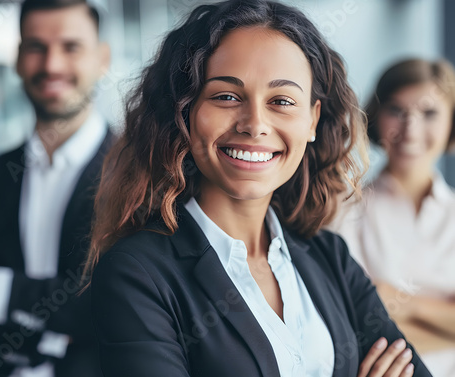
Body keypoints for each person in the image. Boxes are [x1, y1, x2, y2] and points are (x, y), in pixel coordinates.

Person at [87, 1, 431, 376]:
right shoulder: (138, 273)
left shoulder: (328, 256)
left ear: (312, 120)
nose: (254, 124)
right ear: (184, 111)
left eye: (282, 101)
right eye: (226, 97)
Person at [0, 0, 111, 376]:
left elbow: (115, 308)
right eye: (36, 47)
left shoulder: (141, 178)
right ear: (19, 59)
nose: (52, 65)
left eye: (70, 47)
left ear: (102, 59)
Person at [331, 58, 455, 377]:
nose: (410, 129)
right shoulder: (344, 209)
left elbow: (379, 331)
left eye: (429, 113)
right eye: (396, 110)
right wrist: (444, 319)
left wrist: (402, 303)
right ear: (376, 117)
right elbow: (348, 328)